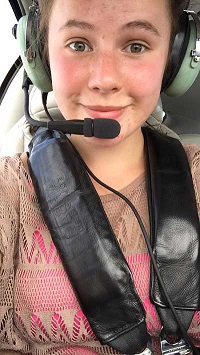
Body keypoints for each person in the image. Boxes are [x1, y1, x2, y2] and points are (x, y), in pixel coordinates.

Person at [0, 0, 200, 354]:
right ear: (42, 57)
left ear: (173, 59)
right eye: (79, 44)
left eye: (136, 46)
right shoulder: (9, 191)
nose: (104, 79)